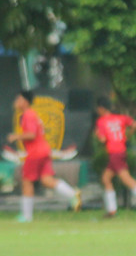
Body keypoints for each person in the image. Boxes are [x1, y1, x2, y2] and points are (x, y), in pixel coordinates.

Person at [7, 91, 81, 222]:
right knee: (46, 180)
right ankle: (72, 194)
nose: (16, 102)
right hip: (44, 151)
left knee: (27, 182)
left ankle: (26, 216)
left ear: (25, 102)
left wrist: (16, 136)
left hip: (35, 153)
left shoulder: (28, 115)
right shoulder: (32, 114)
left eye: (18, 99)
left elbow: (31, 134)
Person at [94, 99, 136, 217]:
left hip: (114, 152)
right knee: (106, 178)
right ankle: (112, 210)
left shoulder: (102, 121)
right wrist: (127, 136)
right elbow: (135, 124)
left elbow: (103, 139)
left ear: (101, 108)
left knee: (126, 179)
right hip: (121, 150)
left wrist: (97, 135)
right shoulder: (121, 118)